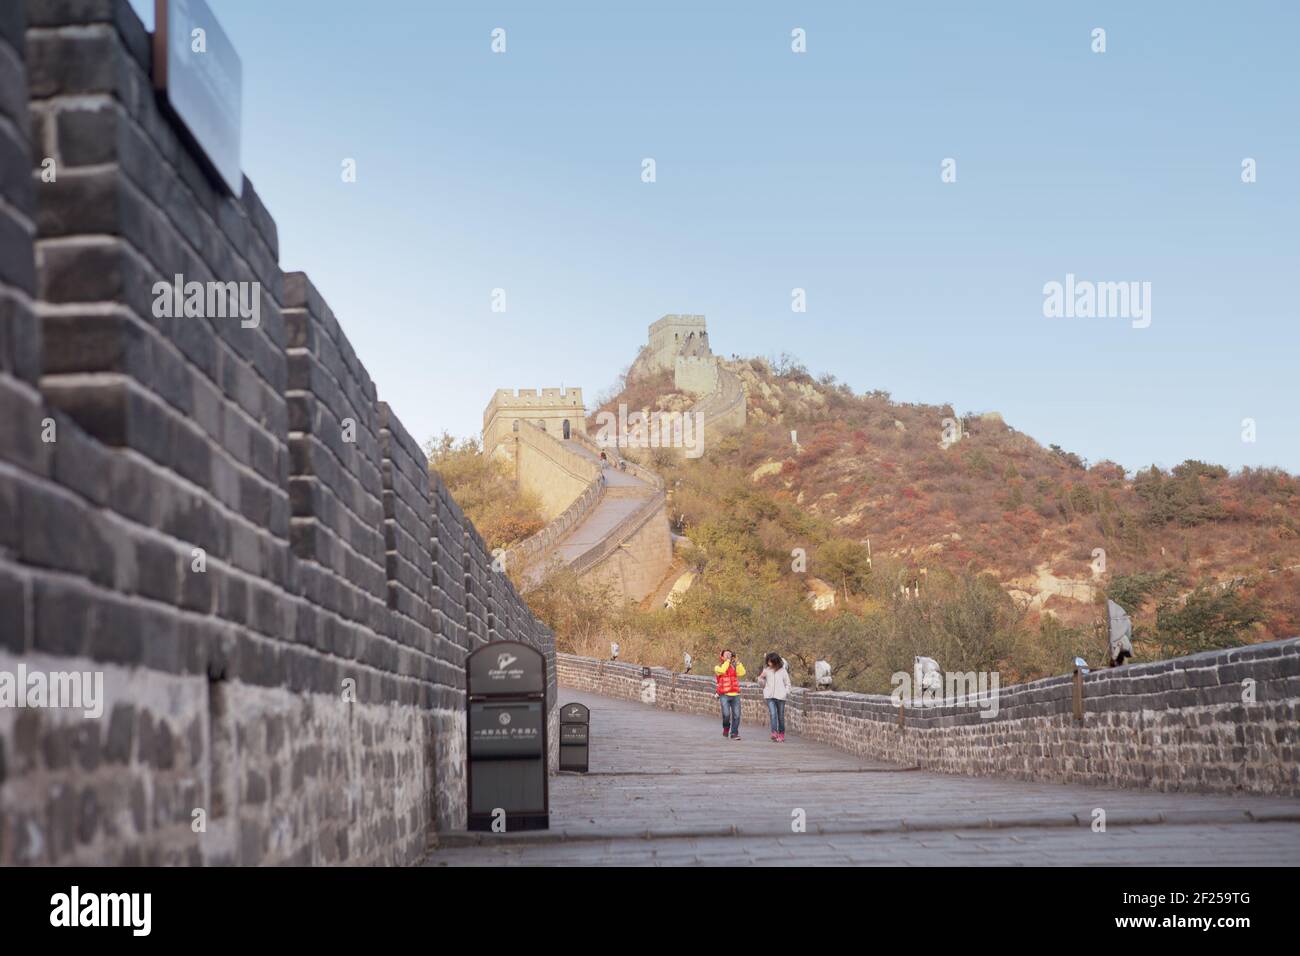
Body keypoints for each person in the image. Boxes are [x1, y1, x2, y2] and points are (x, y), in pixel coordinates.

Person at [756, 652, 792, 742]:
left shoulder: (783, 671)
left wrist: (785, 692)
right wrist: (760, 678)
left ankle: (781, 734)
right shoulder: (766, 670)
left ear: (776, 661)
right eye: (768, 661)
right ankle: (774, 733)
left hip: (781, 696)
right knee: (773, 714)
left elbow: (788, 684)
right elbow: (762, 684)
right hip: (769, 696)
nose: (769, 663)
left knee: (780, 716)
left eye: (771, 661)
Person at [713, 649, 745, 739]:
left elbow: (742, 673)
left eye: (730, 655)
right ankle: (726, 727)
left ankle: (734, 733)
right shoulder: (717, 667)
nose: (728, 657)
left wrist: (737, 662)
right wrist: (727, 661)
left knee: (737, 715)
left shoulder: (734, 666)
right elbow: (723, 670)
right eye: (726, 655)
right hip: (724, 694)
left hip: (735, 694)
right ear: (722, 657)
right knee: (726, 715)